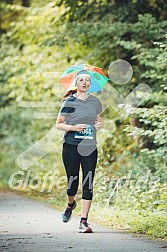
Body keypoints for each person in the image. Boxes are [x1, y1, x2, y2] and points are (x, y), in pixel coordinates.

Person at [56, 70, 102, 233]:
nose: (84, 82)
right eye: (81, 80)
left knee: (88, 183)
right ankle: (70, 204)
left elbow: (98, 120)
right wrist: (73, 128)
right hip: (71, 146)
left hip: (89, 146)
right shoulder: (69, 101)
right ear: (76, 83)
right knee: (72, 183)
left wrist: (98, 126)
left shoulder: (95, 101)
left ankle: (83, 221)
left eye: (87, 80)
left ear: (90, 84)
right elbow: (59, 124)